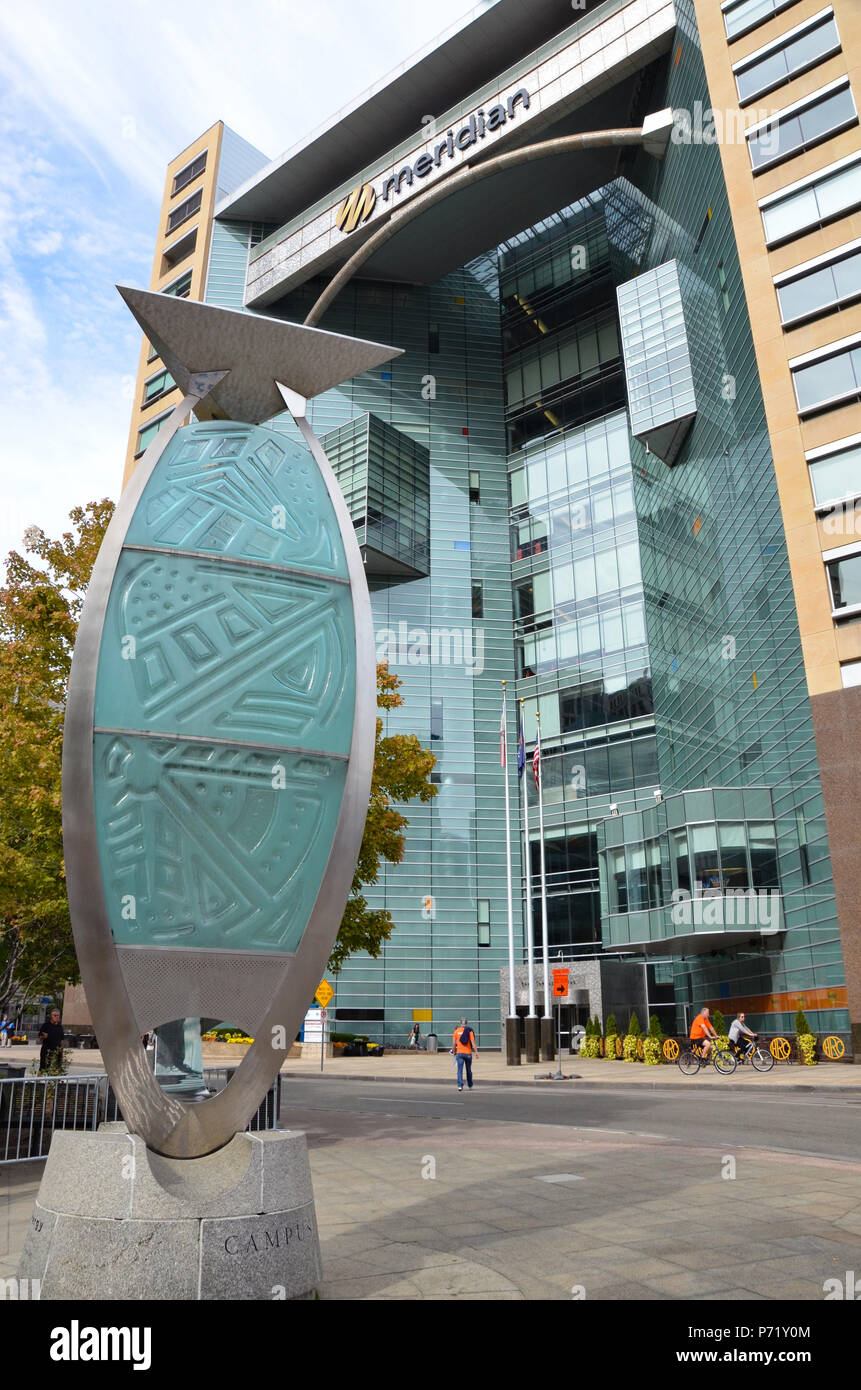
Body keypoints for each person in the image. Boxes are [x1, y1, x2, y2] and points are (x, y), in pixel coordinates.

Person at [451, 1017, 478, 1091]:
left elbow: (454, 1043)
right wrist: (476, 1052)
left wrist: (454, 1052)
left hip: (459, 1053)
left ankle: (460, 1086)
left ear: (460, 1023)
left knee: (459, 1070)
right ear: (466, 1023)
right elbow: (473, 1043)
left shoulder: (456, 1031)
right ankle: (470, 1085)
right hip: (468, 1053)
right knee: (468, 1070)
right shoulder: (469, 1031)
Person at [38, 1008, 64, 1072]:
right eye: (54, 1015)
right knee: (43, 1067)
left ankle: (54, 1081)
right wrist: (44, 1036)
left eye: (58, 1015)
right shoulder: (46, 1025)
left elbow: (62, 1040)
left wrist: (61, 1051)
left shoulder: (60, 1027)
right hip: (47, 1050)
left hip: (57, 1051)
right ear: (51, 1016)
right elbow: (40, 1038)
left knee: (57, 1068)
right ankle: (38, 1081)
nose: (56, 1017)